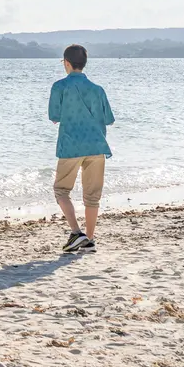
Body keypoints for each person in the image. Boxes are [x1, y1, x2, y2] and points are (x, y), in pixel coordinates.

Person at [48, 45, 115, 253]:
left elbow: (54, 117)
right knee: (92, 196)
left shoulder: (59, 86)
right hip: (96, 145)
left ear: (66, 63)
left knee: (61, 190)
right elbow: (109, 119)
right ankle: (90, 239)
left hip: (71, 145)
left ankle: (77, 233)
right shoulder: (98, 89)